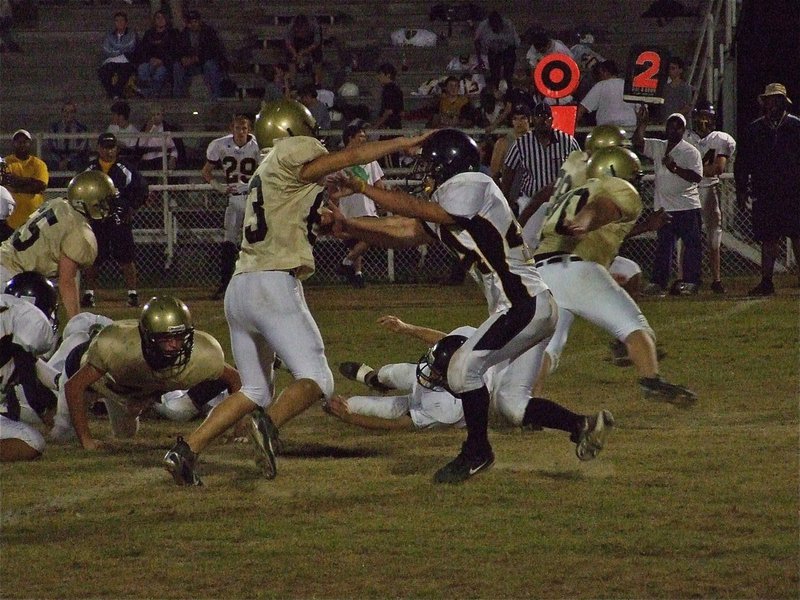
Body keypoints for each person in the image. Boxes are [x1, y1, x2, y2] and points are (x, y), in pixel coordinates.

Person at [162, 99, 433, 486]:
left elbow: (307, 210)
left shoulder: (266, 170)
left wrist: (328, 212)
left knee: (256, 387)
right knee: (318, 379)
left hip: (241, 286)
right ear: (293, 131)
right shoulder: (293, 152)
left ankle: (186, 449)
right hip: (273, 283)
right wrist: (402, 143)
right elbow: (351, 156)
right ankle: (266, 426)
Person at [328, 128, 592, 484]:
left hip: (524, 304)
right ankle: (580, 425)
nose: (426, 174)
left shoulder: (473, 184)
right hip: (523, 308)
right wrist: (350, 226)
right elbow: (403, 229)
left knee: (461, 369)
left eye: (430, 166)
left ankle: (477, 451)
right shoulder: (450, 205)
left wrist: (362, 188)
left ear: (447, 164)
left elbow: (418, 211)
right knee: (512, 405)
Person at [527, 146, 696, 405]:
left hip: (541, 272)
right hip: (577, 268)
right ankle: (650, 379)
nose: (636, 180)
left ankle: (530, 403)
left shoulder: (576, 188)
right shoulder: (619, 189)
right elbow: (603, 207)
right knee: (635, 326)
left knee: (550, 346)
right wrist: (587, 219)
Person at [330, 315, 614, 463]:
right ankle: (372, 378)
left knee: (363, 405)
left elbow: (399, 425)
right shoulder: (463, 346)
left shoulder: (447, 409)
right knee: (396, 372)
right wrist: (406, 328)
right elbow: (445, 340)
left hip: (452, 397)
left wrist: (349, 417)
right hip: (514, 346)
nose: (428, 374)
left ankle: (578, 423)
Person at [64, 296, 242, 453]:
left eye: (180, 337)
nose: (175, 345)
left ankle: (136, 405)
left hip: (132, 391)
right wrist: (86, 441)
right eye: (167, 338)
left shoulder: (203, 355)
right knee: (61, 432)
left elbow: (235, 379)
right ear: (148, 338)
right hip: (97, 377)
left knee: (125, 435)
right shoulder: (117, 350)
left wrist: (239, 430)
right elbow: (73, 387)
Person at [0, 170, 112, 319]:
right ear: (89, 201)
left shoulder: (58, 204)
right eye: (104, 201)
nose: (108, 206)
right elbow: (67, 281)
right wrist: (76, 321)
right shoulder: (77, 229)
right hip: (12, 279)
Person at [734, 82, 800, 296]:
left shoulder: (795, 126)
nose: (772, 103)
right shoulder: (755, 129)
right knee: (768, 237)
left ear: (783, 102)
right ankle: (766, 280)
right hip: (766, 191)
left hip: (793, 190)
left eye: (775, 100)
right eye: (769, 100)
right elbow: (742, 162)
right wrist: (741, 189)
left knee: (797, 234)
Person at [633, 107, 704, 296]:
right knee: (664, 246)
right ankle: (659, 282)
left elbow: (696, 177)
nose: (673, 130)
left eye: (678, 127)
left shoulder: (690, 152)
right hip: (665, 206)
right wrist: (642, 125)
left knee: (691, 246)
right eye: (670, 127)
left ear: (683, 129)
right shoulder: (659, 146)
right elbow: (639, 144)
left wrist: (675, 168)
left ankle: (691, 281)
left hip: (686, 205)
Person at [81, 132, 148, 309]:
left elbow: (141, 189)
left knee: (126, 257)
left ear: (116, 149)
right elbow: (79, 192)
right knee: (94, 257)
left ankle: (132, 293)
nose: (109, 151)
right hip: (97, 219)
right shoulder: (90, 169)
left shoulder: (125, 168)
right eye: (105, 147)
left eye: (112, 147)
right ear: (99, 148)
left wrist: (131, 208)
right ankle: (89, 293)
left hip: (119, 217)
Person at [501, 102, 580, 249]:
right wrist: (506, 199)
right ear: (532, 119)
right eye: (538, 117)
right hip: (530, 200)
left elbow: (580, 167)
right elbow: (508, 171)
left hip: (560, 200)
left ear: (552, 119)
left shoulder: (567, 141)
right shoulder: (521, 143)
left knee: (560, 242)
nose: (543, 120)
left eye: (546, 117)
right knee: (526, 241)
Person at [0, 273, 59, 462]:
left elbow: (28, 362)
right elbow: (27, 377)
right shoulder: (28, 317)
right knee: (32, 441)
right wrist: (44, 409)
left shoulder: (9, 317)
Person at [201, 114, 261, 300]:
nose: (241, 132)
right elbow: (206, 172)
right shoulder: (220, 145)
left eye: (244, 128)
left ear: (249, 130)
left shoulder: (258, 146)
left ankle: (255, 285)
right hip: (234, 198)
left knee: (254, 241)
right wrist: (218, 186)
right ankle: (226, 283)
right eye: (237, 128)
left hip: (252, 198)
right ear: (231, 129)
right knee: (228, 242)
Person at [683, 100, 737, 293]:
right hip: (687, 191)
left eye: (708, 117)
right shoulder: (685, 137)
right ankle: (685, 278)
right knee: (687, 236)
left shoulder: (720, 139)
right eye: (701, 116)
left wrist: (689, 171)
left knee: (714, 235)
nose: (704, 121)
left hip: (708, 189)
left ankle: (716, 279)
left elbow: (718, 168)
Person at [334, 119, 387, 288]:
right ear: (350, 138)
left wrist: (382, 199)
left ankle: (348, 265)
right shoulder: (340, 160)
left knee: (370, 236)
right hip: (349, 205)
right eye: (360, 136)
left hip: (366, 204)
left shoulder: (370, 159)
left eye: (365, 137)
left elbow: (378, 182)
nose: (364, 140)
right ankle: (355, 272)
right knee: (359, 241)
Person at [3, 129, 49, 234]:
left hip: (34, 219)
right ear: (13, 144)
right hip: (10, 221)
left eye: (25, 142)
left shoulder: (39, 164)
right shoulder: (5, 162)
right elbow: (5, 182)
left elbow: (40, 186)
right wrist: (30, 181)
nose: (22, 145)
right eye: (19, 142)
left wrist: (16, 186)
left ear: (30, 144)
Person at [173, 10, 225, 100]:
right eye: (191, 22)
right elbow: (178, 50)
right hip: (190, 65)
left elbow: (213, 50)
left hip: (204, 62)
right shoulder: (184, 34)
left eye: (195, 22)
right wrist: (182, 59)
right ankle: (178, 97)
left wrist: (197, 58)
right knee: (177, 66)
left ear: (199, 21)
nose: (193, 24)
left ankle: (216, 96)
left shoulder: (208, 32)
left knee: (210, 65)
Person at [576, 60, 637, 132]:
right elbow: (641, 111)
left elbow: (582, 109)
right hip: (629, 129)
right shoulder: (629, 85)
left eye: (599, 73)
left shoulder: (601, 85)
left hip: (606, 132)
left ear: (605, 72)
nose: (598, 76)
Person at [135, 9, 177, 98]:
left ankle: (149, 93)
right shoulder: (149, 33)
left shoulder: (173, 33)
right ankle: (148, 92)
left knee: (160, 72)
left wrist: (162, 61)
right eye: (158, 18)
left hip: (165, 63)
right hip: (150, 61)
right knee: (142, 68)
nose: (160, 20)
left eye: (163, 18)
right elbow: (143, 50)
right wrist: (150, 59)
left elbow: (174, 51)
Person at [97, 11, 138, 100]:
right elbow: (106, 49)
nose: (119, 23)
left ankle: (117, 93)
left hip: (126, 60)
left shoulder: (131, 34)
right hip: (112, 60)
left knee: (124, 73)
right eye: (117, 21)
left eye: (121, 20)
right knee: (103, 72)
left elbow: (130, 47)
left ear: (126, 23)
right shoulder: (109, 35)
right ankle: (113, 93)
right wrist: (119, 50)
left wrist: (115, 49)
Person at [473, 10, 520, 87]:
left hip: (507, 50)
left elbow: (516, 43)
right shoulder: (483, 26)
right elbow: (476, 41)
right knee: (495, 74)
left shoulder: (508, 25)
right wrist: (479, 58)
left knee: (508, 72)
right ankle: (495, 86)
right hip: (493, 51)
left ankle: (509, 85)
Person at [44, 99, 89, 176]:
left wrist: (67, 161)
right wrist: (60, 160)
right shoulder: (54, 128)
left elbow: (81, 149)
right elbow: (51, 146)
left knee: (81, 163)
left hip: (74, 160)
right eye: (66, 111)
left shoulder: (82, 129)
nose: (68, 114)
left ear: (74, 113)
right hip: (57, 160)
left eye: (71, 112)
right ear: (62, 112)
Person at [137, 104, 179, 173]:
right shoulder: (146, 128)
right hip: (148, 159)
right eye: (153, 114)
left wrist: (173, 157)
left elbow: (174, 147)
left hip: (163, 157)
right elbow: (141, 146)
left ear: (162, 116)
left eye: (158, 114)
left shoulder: (168, 128)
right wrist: (147, 131)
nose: (155, 117)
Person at [284, 13, 323, 87]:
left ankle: (318, 83)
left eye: (302, 31)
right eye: (299, 31)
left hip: (311, 41)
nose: (301, 34)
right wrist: (295, 55)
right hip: (295, 41)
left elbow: (316, 42)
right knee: (289, 56)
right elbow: (288, 43)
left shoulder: (315, 26)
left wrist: (304, 52)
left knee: (318, 55)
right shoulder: (290, 28)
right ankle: (293, 84)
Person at [658, 57, 693, 123]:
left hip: (680, 124)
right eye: (669, 68)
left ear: (680, 70)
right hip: (666, 124)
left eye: (673, 68)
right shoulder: (665, 88)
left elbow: (687, 107)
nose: (670, 71)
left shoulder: (685, 88)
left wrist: (674, 118)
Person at [373, 63, 404, 132]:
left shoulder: (388, 90)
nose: (378, 77)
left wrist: (376, 126)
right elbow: (401, 112)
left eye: (380, 74)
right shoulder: (397, 89)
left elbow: (388, 111)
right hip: (396, 126)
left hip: (389, 128)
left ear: (388, 75)